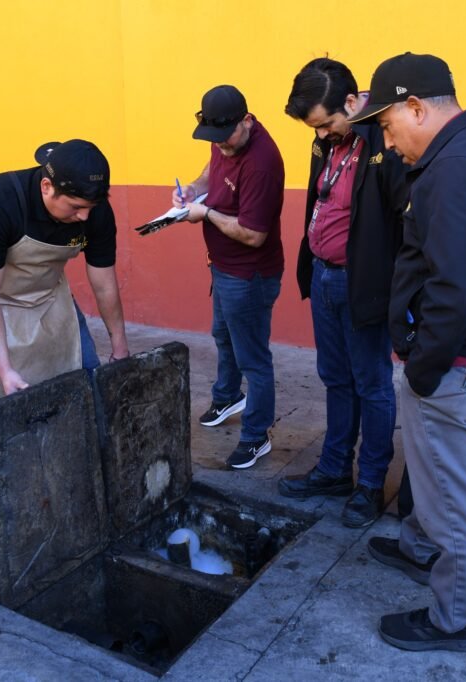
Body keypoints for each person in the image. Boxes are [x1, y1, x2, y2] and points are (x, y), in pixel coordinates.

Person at [349, 53, 466, 652]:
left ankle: (455, 620)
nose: (387, 142)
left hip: (455, 359)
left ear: (416, 108)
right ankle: (418, 548)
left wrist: (424, 369)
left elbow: (456, 288)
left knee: (452, 497)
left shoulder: (455, 168)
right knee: (432, 473)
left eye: (387, 125)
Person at [277, 58, 407, 528]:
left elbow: (404, 218)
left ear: (352, 103)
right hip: (324, 277)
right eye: (314, 128)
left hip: (363, 283)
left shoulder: (384, 138)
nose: (321, 134)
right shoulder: (327, 140)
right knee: (335, 378)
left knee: (372, 384)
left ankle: (370, 483)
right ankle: (334, 471)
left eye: (326, 123)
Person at [0, 139, 130, 412]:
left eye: (90, 207)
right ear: (46, 187)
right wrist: (5, 372)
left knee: (86, 378)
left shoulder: (95, 211)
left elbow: (104, 284)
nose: (84, 216)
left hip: (48, 292)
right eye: (75, 207)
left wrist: (120, 350)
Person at [172, 85, 285, 469]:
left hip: (249, 275)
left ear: (246, 121)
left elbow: (254, 235)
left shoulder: (261, 164)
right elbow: (211, 170)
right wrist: (193, 190)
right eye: (214, 137)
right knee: (222, 335)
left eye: (226, 137)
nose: (220, 144)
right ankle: (227, 396)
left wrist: (205, 214)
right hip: (222, 266)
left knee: (254, 358)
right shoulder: (225, 138)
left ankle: (256, 436)